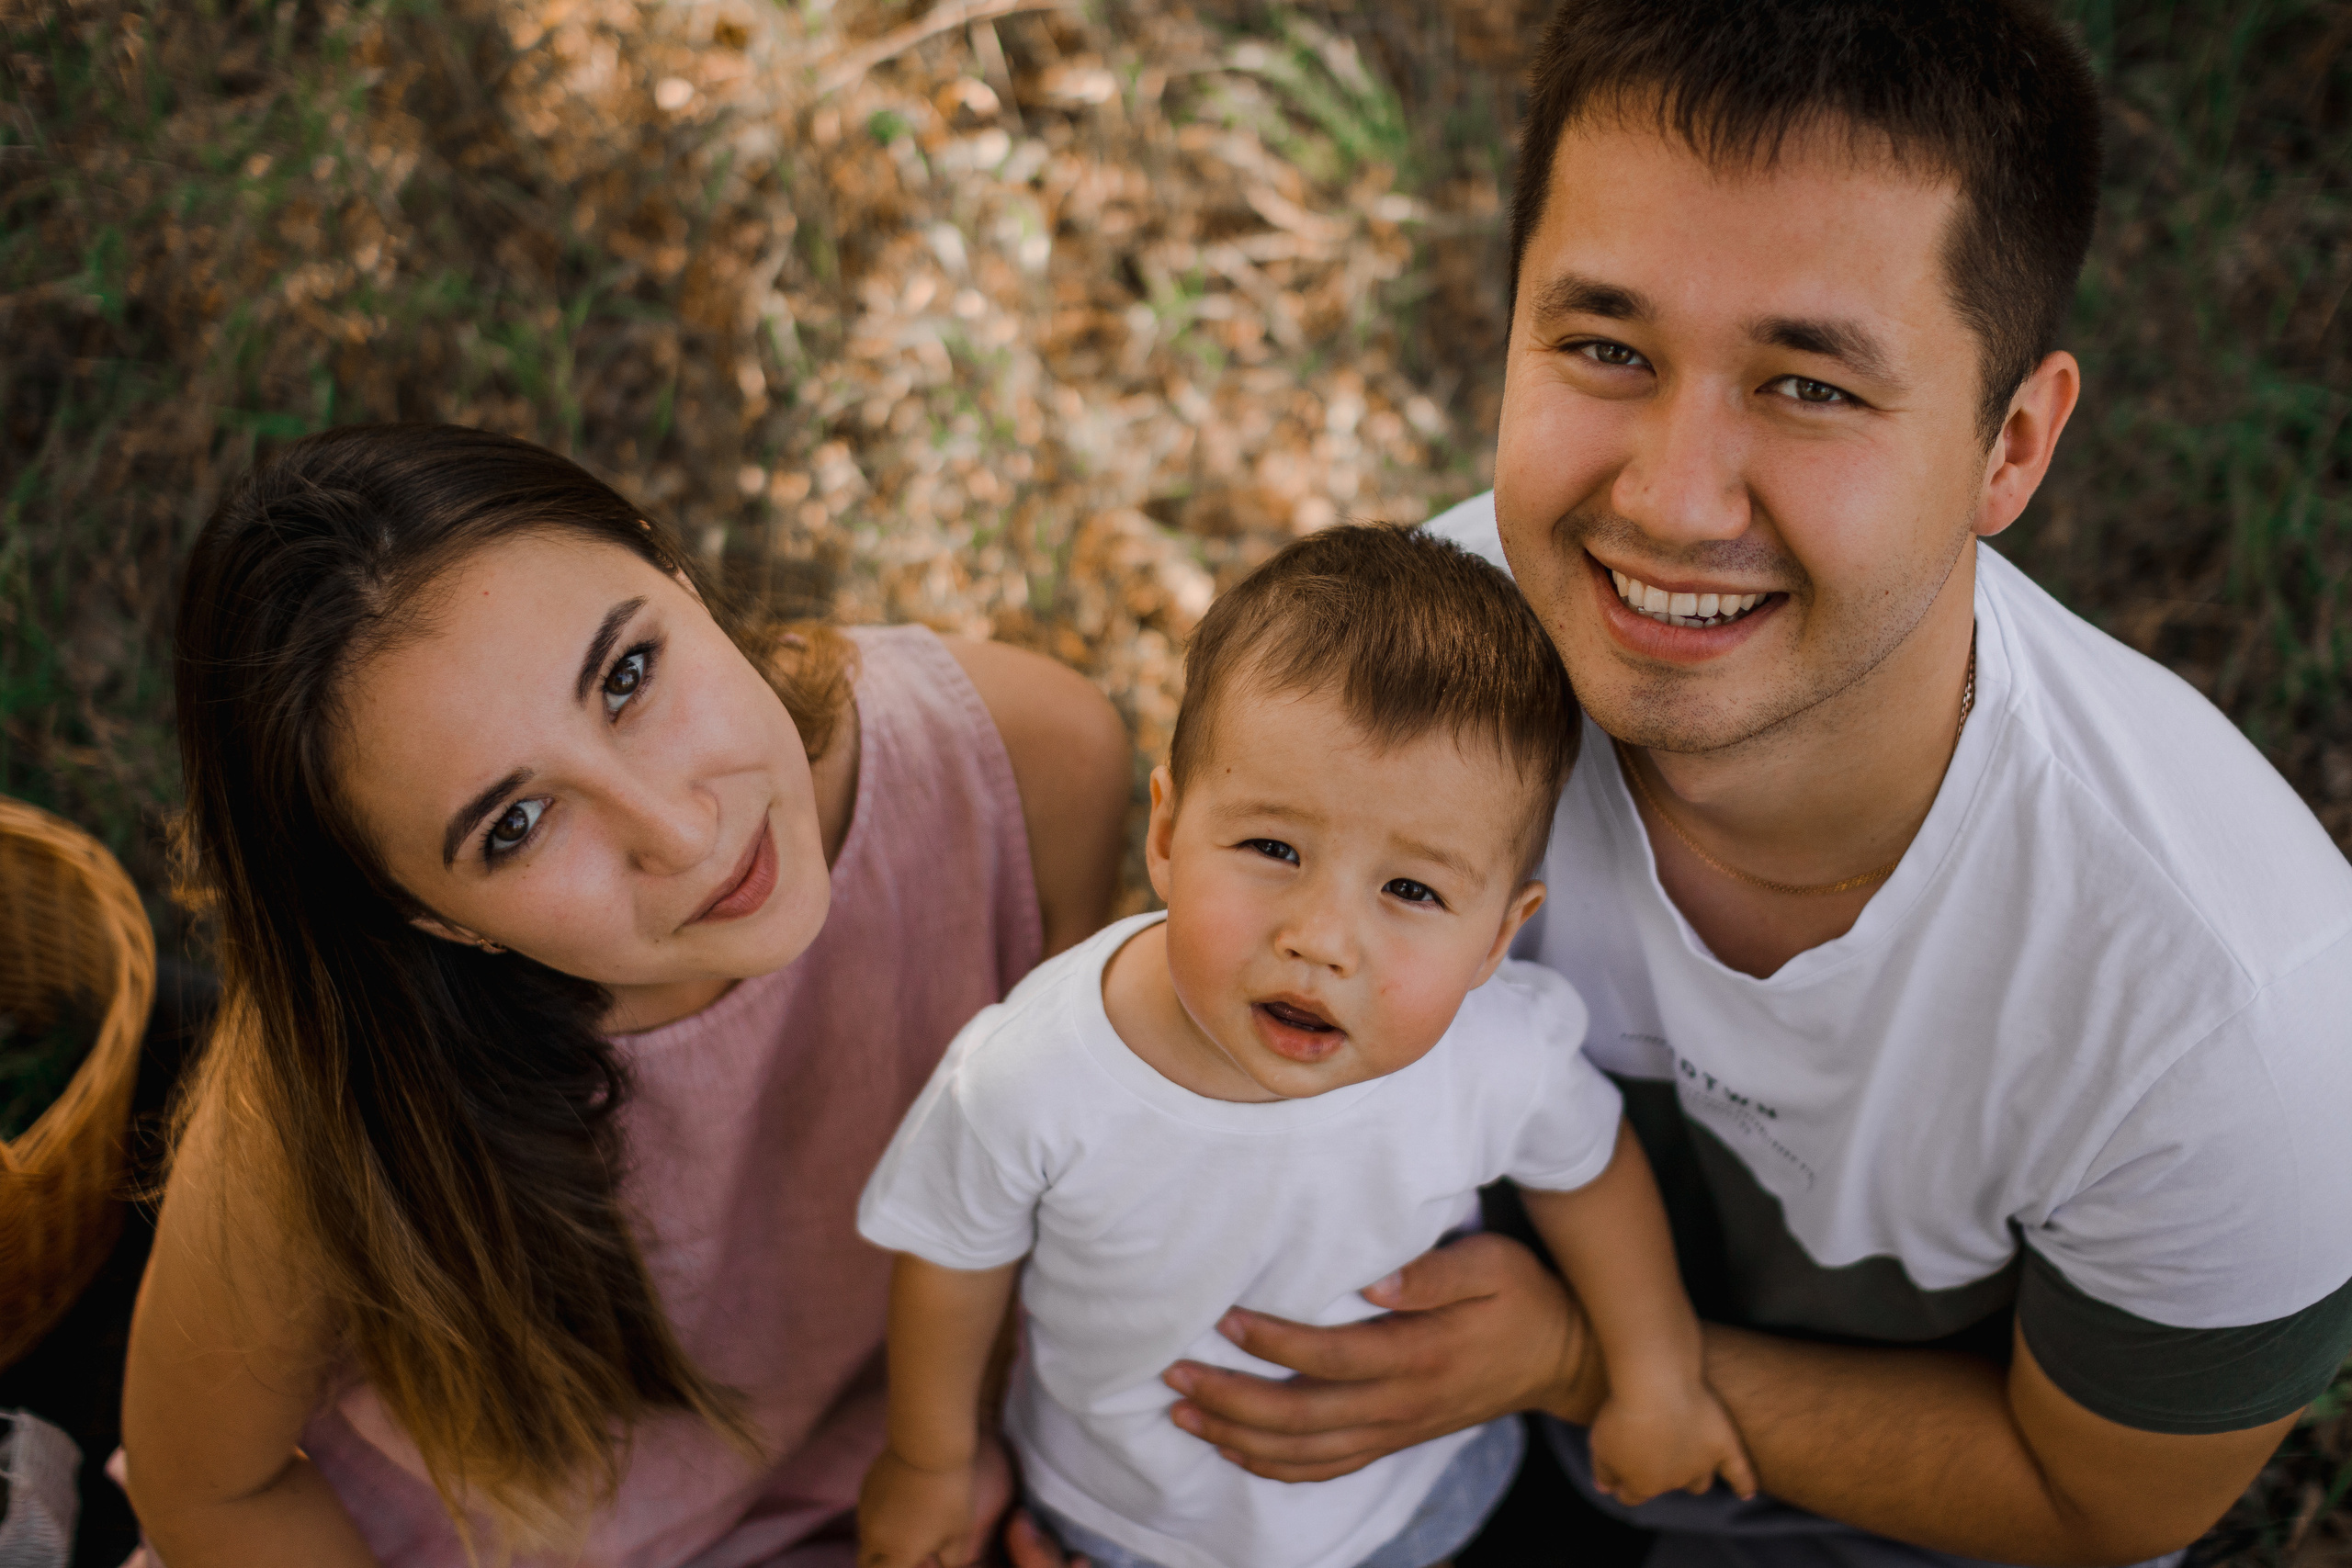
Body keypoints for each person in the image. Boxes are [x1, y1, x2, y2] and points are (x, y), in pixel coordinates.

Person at [1014, 3, 2352, 1566]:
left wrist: (1579, 1355)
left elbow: (2098, 1500)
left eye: (1810, 385)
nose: (1668, 499)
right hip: (1434, 1462)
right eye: (1606, 348)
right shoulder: (1407, 686)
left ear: (2012, 444)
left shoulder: (2235, 1019)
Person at [117, 423, 1131, 1568]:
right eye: (515, 824)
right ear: (431, 917)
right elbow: (208, 1489)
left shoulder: (1024, 768)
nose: (682, 833)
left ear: (672, 567)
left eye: (628, 676)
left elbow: (1092, 1178)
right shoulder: (331, 1095)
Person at [854, 527, 1757, 1568]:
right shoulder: (1036, 1074)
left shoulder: (1496, 1053)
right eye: (1272, 847)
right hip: (1127, 1516)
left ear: (1496, 940)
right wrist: (931, 1460)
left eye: (1411, 890)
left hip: (1419, 1497)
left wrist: (1656, 1376)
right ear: (1167, 835)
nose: (1322, 939)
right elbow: (952, 1258)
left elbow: (1588, 1171)